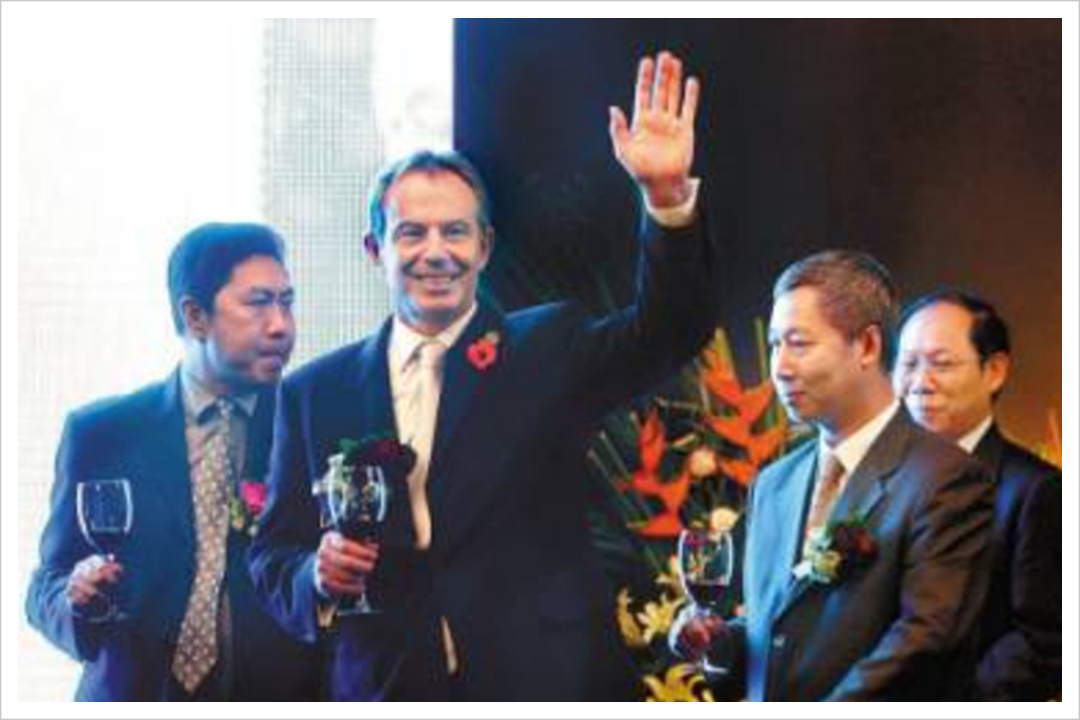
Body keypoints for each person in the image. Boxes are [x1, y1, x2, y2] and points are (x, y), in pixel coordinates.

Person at [248, 50, 714, 701]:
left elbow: (671, 329)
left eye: (455, 232)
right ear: (375, 249)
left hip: (546, 684)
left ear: (484, 247)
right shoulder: (314, 392)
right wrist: (315, 576)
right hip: (389, 685)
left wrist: (665, 200)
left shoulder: (546, 347)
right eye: (412, 233)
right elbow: (273, 554)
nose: (435, 252)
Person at [671, 250, 994, 700]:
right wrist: (716, 642)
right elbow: (774, 631)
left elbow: (925, 641)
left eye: (799, 344)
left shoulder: (947, 478)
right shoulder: (775, 483)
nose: (780, 367)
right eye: (775, 345)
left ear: (868, 346)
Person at [26, 223, 321, 700]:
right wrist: (73, 597)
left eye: (286, 302)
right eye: (258, 303)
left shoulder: (309, 426)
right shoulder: (103, 432)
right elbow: (47, 584)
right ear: (195, 316)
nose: (281, 325)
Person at [894, 290, 1061, 700]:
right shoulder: (881, 477)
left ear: (994, 371)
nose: (920, 383)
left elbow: (1044, 639)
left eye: (942, 364)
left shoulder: (1037, 492)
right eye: (908, 364)